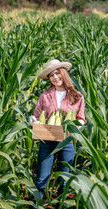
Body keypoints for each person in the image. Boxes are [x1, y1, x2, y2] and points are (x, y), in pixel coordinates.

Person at [29, 59, 86, 200]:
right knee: (41, 179)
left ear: (64, 73)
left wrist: (78, 123)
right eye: (51, 75)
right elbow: (37, 115)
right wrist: (33, 120)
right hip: (47, 140)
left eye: (57, 73)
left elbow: (81, 118)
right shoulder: (44, 96)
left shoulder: (77, 96)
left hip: (67, 140)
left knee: (64, 180)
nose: (55, 77)